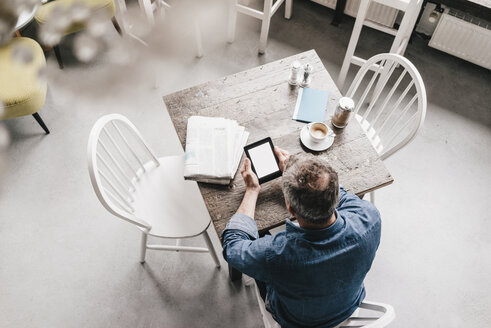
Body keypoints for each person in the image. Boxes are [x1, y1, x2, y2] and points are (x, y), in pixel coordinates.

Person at [221, 147, 382, 328]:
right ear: (335, 197)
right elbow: (341, 194)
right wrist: (299, 169)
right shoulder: (369, 217)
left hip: (297, 321)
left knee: (258, 234)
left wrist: (251, 190)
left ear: (290, 208)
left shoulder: (277, 255)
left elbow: (233, 247)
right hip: (348, 305)